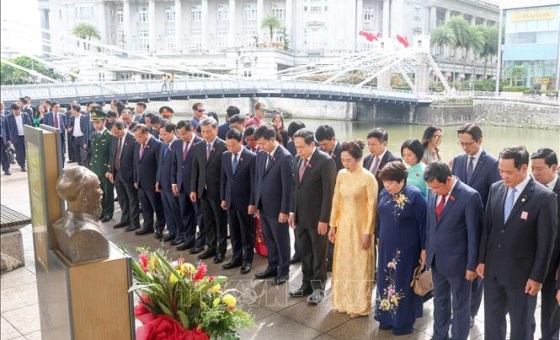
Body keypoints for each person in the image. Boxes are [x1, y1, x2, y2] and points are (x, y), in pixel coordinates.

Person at [477, 146, 557, 340]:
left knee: (521, 327)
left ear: (523, 169)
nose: (504, 176)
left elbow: (546, 243)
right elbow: (488, 228)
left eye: (508, 172)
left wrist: (537, 277)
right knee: (493, 324)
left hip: (522, 277)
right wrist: (481, 261)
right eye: (500, 171)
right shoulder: (496, 189)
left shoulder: (544, 197)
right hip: (493, 272)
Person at [424, 161, 482, 340]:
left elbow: (474, 235)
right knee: (439, 301)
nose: (434, 191)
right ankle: (439, 335)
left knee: (460, 305)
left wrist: (471, 266)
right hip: (437, 260)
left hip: (459, 264)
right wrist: (426, 249)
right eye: (431, 188)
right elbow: (430, 225)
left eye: (436, 187)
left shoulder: (470, 196)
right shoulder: (432, 192)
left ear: (448, 179)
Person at [451, 123, 500, 327]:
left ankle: (471, 312)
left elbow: (495, 197)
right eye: (461, 143)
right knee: (460, 268)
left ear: (479, 141)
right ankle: (459, 308)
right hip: (459, 224)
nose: (465, 148)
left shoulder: (492, 163)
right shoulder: (458, 161)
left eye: (468, 144)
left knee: (476, 270)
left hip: (480, 225)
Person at [375, 161, 427, 335]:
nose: (387, 186)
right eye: (384, 182)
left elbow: (424, 225)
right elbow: (380, 216)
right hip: (386, 246)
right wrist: (378, 236)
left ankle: (402, 322)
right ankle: (386, 317)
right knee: (385, 280)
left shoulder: (415, 195)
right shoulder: (384, 192)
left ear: (402, 180)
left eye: (391, 182)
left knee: (402, 282)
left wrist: (424, 249)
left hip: (406, 249)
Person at [328, 140, 377, 318]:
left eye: (349, 160)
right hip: (344, 226)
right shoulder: (341, 174)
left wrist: (368, 232)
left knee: (360, 265)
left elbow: (372, 208)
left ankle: (359, 305)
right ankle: (342, 301)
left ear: (359, 159)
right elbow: (336, 200)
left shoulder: (368, 178)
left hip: (360, 227)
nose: (346, 164)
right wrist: (332, 225)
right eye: (343, 160)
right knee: (343, 264)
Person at [288, 128, 336, 305]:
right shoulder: (296, 159)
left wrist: (325, 219)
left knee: (318, 254)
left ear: (312, 144)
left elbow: (328, 194)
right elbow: (295, 187)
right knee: (305, 252)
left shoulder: (325, 161)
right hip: (300, 216)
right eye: (296, 147)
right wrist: (292, 211)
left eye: (301, 147)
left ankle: (318, 288)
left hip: (318, 219)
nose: (298, 151)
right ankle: (305, 284)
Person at [253, 125, 293, 286]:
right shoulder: (261, 155)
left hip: (278, 209)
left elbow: (288, 186)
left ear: (272, 139)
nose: (260, 147)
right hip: (263, 207)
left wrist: (285, 210)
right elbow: (258, 180)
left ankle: (284, 271)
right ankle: (272, 266)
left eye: (262, 143)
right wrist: (256, 204)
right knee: (269, 239)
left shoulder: (284, 157)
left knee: (281, 240)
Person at [530, 148, 560, 340]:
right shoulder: (530, 188)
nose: (535, 173)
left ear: (554, 167)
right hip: (530, 260)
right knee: (525, 306)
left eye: (539, 169)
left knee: (551, 309)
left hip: (554, 263)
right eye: (532, 168)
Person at [189, 117, 228, 264]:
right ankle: (211, 247)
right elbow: (195, 170)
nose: (206, 135)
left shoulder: (223, 146)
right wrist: (193, 189)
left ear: (216, 130)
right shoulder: (198, 146)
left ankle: (221, 250)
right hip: (202, 191)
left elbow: (226, 174)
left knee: (220, 222)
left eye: (209, 132)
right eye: (204, 132)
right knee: (207, 221)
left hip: (217, 192)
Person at [52, 166, 109, 263]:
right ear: (83, 194)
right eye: (98, 187)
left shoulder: (59, 224)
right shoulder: (89, 234)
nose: (101, 192)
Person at [220, 128, 257, 274]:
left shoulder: (251, 157)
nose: (230, 148)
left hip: (245, 202)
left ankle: (247, 260)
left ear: (240, 141)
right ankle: (236, 257)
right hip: (230, 200)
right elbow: (224, 178)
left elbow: (254, 183)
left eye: (233, 145)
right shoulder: (225, 156)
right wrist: (223, 197)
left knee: (247, 232)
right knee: (234, 231)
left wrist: (252, 202)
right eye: (228, 146)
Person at [172, 120, 202, 251]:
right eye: (179, 134)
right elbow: (175, 164)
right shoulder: (177, 144)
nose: (182, 137)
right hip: (182, 185)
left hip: (195, 187)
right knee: (185, 214)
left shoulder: (200, 143)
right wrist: (174, 182)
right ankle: (189, 239)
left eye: (184, 134)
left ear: (192, 130)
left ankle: (201, 242)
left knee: (200, 215)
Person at [133, 124, 166, 238]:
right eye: (136, 137)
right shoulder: (137, 144)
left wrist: (158, 181)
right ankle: (147, 226)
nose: (138, 139)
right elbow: (136, 162)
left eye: (140, 137)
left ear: (146, 133)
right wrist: (136, 178)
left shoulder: (157, 145)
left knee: (157, 207)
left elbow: (159, 166)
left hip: (152, 183)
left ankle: (160, 228)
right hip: (141, 182)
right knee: (145, 206)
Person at [108, 120, 140, 232]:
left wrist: (135, 177)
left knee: (132, 199)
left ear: (122, 129)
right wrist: (110, 171)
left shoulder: (132, 139)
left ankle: (134, 222)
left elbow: (136, 161)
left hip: (128, 174)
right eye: (113, 132)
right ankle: (125, 219)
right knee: (122, 198)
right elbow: (113, 155)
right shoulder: (114, 138)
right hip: (117, 173)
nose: (115, 134)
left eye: (117, 132)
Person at [156, 122, 183, 244]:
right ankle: (172, 232)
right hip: (163, 183)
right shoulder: (163, 145)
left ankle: (180, 234)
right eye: (160, 134)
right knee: (167, 210)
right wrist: (158, 180)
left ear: (172, 132)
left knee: (176, 210)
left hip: (173, 185)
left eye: (164, 134)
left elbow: (178, 167)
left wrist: (175, 183)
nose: (162, 137)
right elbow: (160, 165)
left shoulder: (179, 144)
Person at [88, 109, 114, 223]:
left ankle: (108, 212)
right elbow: (93, 154)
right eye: (94, 123)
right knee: (99, 192)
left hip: (105, 169)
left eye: (98, 122)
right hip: (96, 168)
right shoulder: (93, 135)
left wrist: (109, 169)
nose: (96, 125)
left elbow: (112, 155)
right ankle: (102, 211)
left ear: (104, 122)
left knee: (108, 192)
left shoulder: (109, 136)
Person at [364, 128, 400, 192]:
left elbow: (398, 185)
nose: (370, 147)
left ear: (384, 144)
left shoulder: (394, 161)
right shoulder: (367, 159)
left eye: (374, 144)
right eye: (369, 144)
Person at [5, 104, 32, 172]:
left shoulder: (25, 115)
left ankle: (23, 161)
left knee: (27, 152)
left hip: (25, 136)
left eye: (18, 110)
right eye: (15, 110)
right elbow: (8, 128)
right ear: (12, 110)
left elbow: (30, 124)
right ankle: (22, 166)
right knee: (20, 152)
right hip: (16, 137)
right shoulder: (8, 117)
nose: (17, 111)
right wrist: (9, 138)